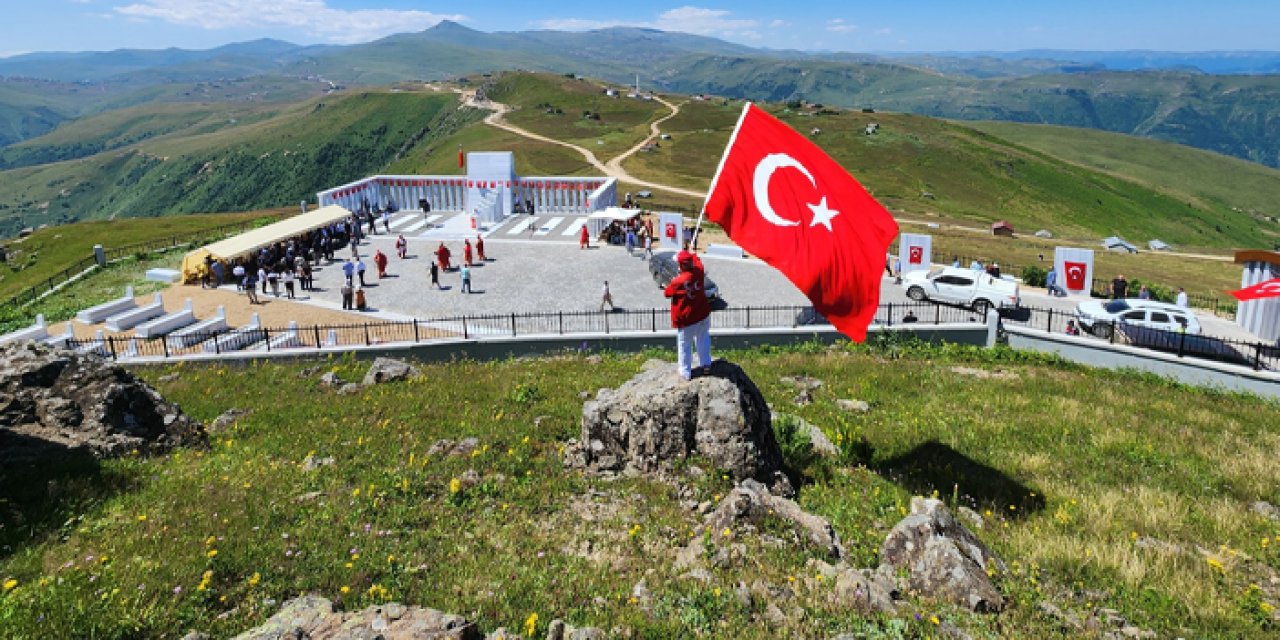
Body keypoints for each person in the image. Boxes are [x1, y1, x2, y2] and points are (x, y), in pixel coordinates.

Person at [664, 250, 712, 381]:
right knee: (703, 339)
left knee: (684, 345)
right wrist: (693, 254)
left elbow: (667, 293)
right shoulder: (699, 271)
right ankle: (706, 364)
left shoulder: (678, 281)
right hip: (702, 314)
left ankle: (685, 372)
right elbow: (698, 262)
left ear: (680, 265)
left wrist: (674, 279)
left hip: (687, 320)